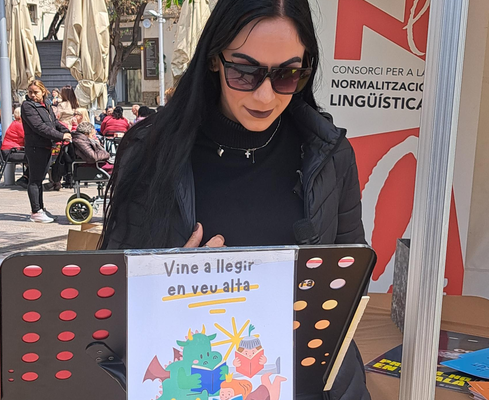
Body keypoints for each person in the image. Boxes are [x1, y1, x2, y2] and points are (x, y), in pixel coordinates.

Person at [100, 1, 369, 399]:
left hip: (303, 382)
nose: (265, 95)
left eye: (287, 74)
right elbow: (109, 303)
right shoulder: (150, 151)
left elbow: (350, 283)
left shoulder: (330, 155)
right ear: (214, 59)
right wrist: (168, 282)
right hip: (189, 382)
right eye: (244, 71)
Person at [21, 80, 71, 223]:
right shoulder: (28, 106)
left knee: (39, 179)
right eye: (30, 92)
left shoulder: (46, 105)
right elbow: (39, 127)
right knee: (35, 180)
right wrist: (61, 136)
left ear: (43, 92)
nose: (32, 95)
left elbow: (54, 123)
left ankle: (41, 209)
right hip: (36, 147)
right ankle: (36, 211)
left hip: (46, 146)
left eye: (36, 92)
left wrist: (66, 131)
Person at [1, 107, 28, 188]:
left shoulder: (16, 123)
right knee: (34, 158)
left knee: (33, 157)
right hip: (10, 152)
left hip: (11, 151)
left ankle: (26, 178)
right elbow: (26, 137)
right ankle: (25, 178)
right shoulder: (19, 125)